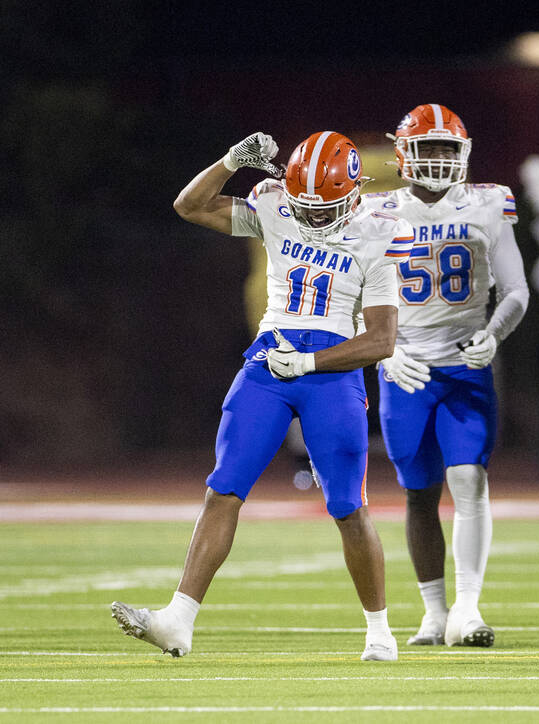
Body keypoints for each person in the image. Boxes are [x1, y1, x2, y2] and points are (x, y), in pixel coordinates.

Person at [111, 131, 413, 661]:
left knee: (347, 505)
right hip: (268, 361)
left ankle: (379, 631)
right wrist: (230, 161)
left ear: (355, 191)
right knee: (223, 487)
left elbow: (382, 341)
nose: (314, 217)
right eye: (305, 206)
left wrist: (310, 361)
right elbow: (190, 205)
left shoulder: (378, 232)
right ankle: (178, 620)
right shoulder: (275, 205)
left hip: (331, 369)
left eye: (327, 207)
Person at [362, 104, 528, 648]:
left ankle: (468, 610)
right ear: (403, 153)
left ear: (463, 153)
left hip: (463, 363)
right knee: (418, 493)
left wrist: (494, 334)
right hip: (404, 368)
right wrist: (383, 353)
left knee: (469, 481)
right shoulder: (374, 209)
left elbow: (516, 291)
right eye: (426, 147)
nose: (436, 158)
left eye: (445, 148)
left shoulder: (487, 202)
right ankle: (434, 613)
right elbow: (352, 295)